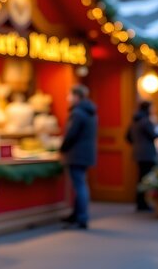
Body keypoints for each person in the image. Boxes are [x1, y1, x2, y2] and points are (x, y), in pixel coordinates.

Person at [59, 84, 97, 229]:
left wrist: (62, 148)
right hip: (86, 153)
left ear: (77, 96)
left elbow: (71, 135)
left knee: (79, 185)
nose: (68, 98)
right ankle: (76, 214)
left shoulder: (78, 113)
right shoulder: (90, 112)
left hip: (76, 153)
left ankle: (81, 217)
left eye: (70, 95)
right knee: (80, 184)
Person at [127, 101, 158, 211]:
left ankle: (140, 202)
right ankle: (143, 203)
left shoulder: (134, 121)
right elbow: (153, 135)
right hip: (147, 153)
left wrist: (137, 143)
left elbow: (127, 137)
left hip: (138, 152)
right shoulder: (146, 121)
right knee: (146, 179)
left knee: (141, 178)